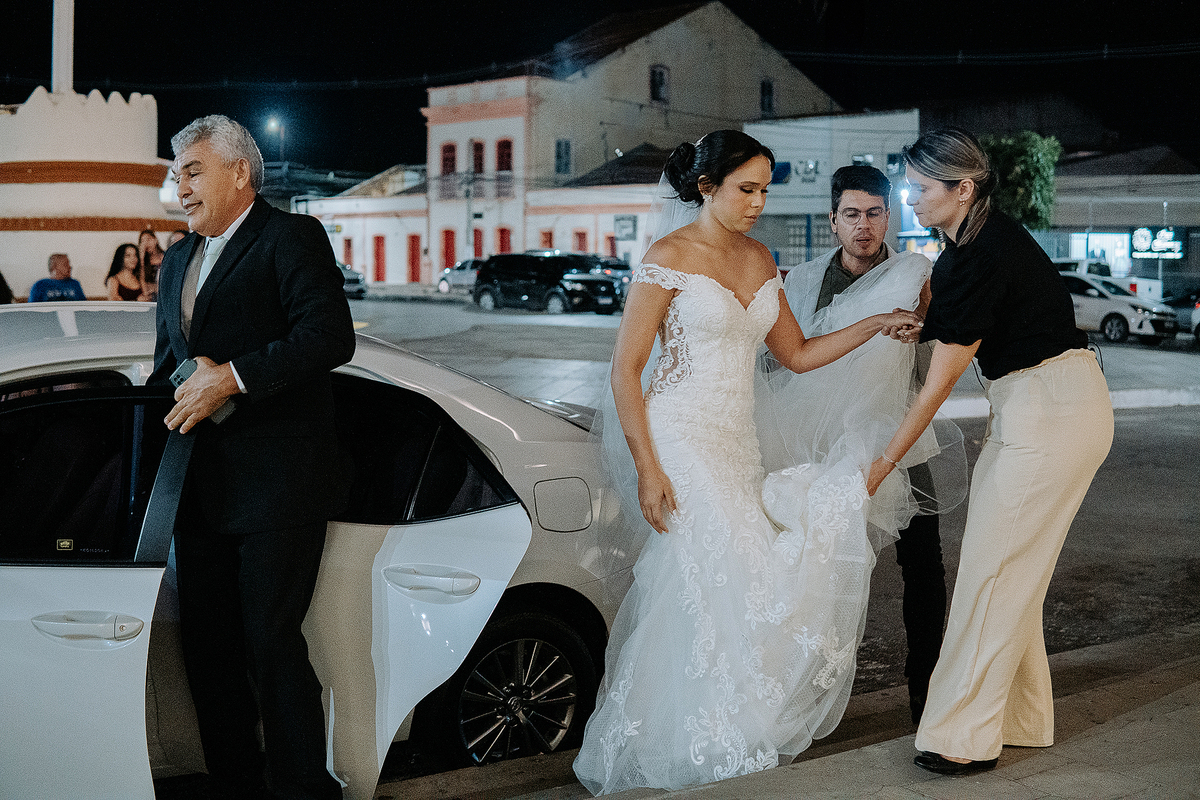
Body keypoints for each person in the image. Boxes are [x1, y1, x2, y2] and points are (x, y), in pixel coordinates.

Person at [573, 130, 922, 795]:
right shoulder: (668, 257)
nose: (759, 202)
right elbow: (626, 368)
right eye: (747, 189)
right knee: (720, 570)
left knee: (736, 583)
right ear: (707, 187)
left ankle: (707, 725)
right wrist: (648, 467)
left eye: (765, 190)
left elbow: (799, 354)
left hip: (738, 443)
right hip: (679, 435)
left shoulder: (761, 257)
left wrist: (876, 323)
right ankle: (696, 734)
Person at [864, 129, 1113, 776]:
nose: (910, 199)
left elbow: (936, 389)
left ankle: (963, 736)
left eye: (921, 188)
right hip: (1049, 406)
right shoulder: (976, 245)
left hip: (1050, 413)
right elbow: (977, 325)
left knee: (991, 574)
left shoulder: (979, 255)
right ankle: (1019, 719)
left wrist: (882, 465)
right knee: (1010, 571)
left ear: (963, 189)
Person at [150, 114, 355, 799]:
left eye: (193, 171)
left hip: (277, 489)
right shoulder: (176, 260)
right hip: (198, 492)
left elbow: (329, 336)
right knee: (208, 655)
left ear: (240, 172)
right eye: (176, 174)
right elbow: (168, 369)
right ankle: (234, 785)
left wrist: (232, 378)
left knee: (271, 648)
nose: (180, 188)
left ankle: (303, 790)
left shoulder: (291, 238)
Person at [779, 165, 948, 726]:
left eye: (875, 213)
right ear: (832, 221)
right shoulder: (803, 281)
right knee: (812, 563)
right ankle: (797, 691)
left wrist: (924, 324)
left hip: (896, 435)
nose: (864, 226)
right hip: (814, 440)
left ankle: (926, 690)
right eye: (852, 214)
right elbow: (782, 362)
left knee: (922, 563)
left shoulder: (913, 275)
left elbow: (930, 364)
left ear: (889, 217)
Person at [138, 228, 165, 300]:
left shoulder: (166, 256)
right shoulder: (144, 262)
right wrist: (141, 258)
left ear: (155, 240)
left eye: (148, 239)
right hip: (150, 297)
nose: (146, 244)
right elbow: (142, 282)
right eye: (142, 241)